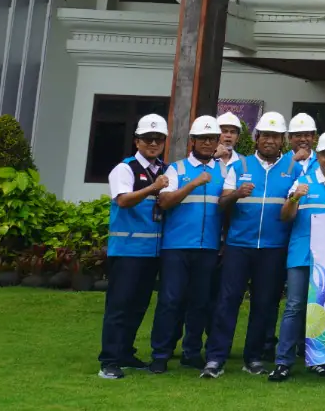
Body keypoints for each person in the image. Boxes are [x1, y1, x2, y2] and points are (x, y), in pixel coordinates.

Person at [203, 112, 298, 379]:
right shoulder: (240, 166)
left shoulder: (294, 170)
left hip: (274, 247)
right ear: (256, 138)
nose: (269, 141)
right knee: (227, 302)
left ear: (283, 141)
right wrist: (236, 193)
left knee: (264, 305)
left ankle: (253, 358)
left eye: (275, 137)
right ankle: (215, 358)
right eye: (265, 135)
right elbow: (222, 203)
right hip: (238, 246)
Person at [270, 130, 325, 382]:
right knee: (294, 307)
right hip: (301, 255)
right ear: (319, 155)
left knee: (324, 308)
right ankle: (283, 362)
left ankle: (320, 360)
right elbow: (285, 216)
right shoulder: (303, 181)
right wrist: (294, 198)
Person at [150, 115, 228, 374]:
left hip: (207, 247)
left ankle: (191, 352)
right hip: (177, 246)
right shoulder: (177, 169)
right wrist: (193, 184)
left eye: (212, 139)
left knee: (200, 302)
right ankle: (160, 354)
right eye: (202, 138)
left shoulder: (224, 171)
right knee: (170, 300)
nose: (207, 143)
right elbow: (165, 201)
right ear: (192, 141)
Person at [98, 113, 169, 379]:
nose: (153, 143)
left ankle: (125, 352)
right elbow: (124, 200)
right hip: (127, 251)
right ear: (137, 141)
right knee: (119, 306)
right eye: (148, 139)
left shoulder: (164, 169)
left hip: (152, 252)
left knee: (139, 305)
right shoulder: (124, 169)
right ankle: (109, 360)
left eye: (158, 139)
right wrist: (153, 188)